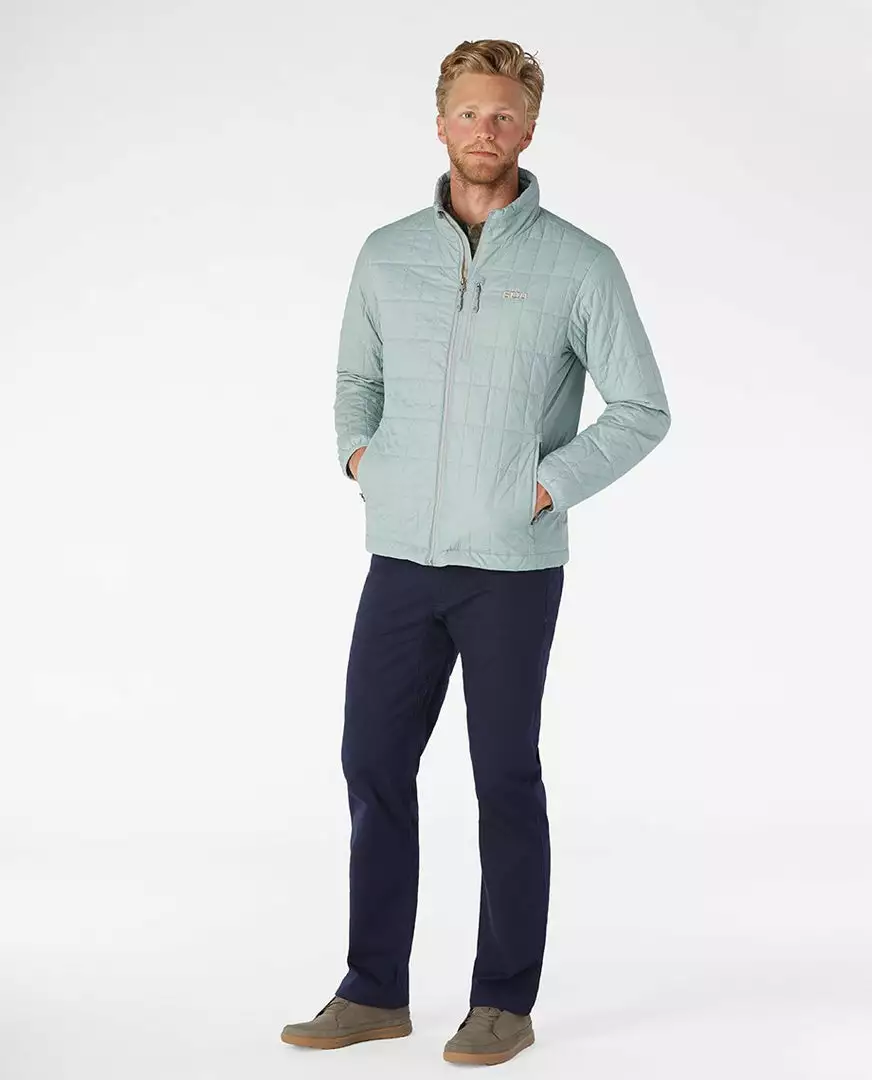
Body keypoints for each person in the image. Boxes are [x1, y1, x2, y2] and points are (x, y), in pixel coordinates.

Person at [280, 38, 671, 1066]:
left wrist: (541, 487)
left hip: (511, 568)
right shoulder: (385, 254)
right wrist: (363, 460)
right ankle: (373, 990)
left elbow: (641, 407)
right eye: (468, 112)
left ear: (529, 129)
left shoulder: (578, 264)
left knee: (503, 776)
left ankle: (502, 1001)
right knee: (371, 762)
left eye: (503, 115)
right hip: (401, 559)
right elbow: (354, 385)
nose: (484, 130)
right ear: (440, 122)